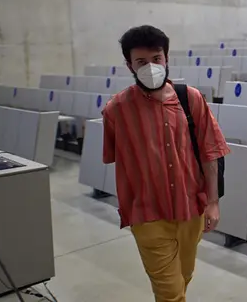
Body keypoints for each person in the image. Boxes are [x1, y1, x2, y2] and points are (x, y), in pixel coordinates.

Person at [103, 25, 229, 302]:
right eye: (141, 62)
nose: (151, 67)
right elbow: (117, 160)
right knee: (169, 293)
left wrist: (213, 201)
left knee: (183, 277)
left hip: (190, 209)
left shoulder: (191, 99)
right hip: (148, 214)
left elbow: (210, 152)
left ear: (166, 58)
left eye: (156, 59)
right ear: (129, 65)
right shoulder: (116, 110)